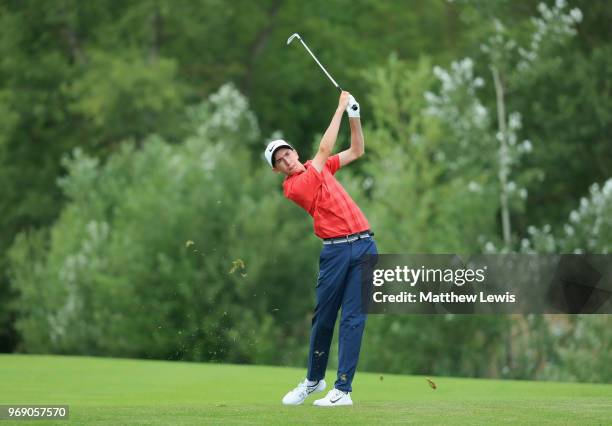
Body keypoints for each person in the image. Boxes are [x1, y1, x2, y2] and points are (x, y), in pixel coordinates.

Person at [264, 91, 377, 407]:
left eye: (286, 153)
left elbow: (357, 150)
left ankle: (342, 390)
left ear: (294, 151)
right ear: (277, 170)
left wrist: (354, 115)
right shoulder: (295, 186)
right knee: (325, 318)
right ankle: (313, 380)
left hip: (365, 245)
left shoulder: (323, 168)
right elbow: (325, 147)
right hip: (336, 252)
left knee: (354, 319)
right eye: (279, 161)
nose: (286, 160)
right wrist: (340, 107)